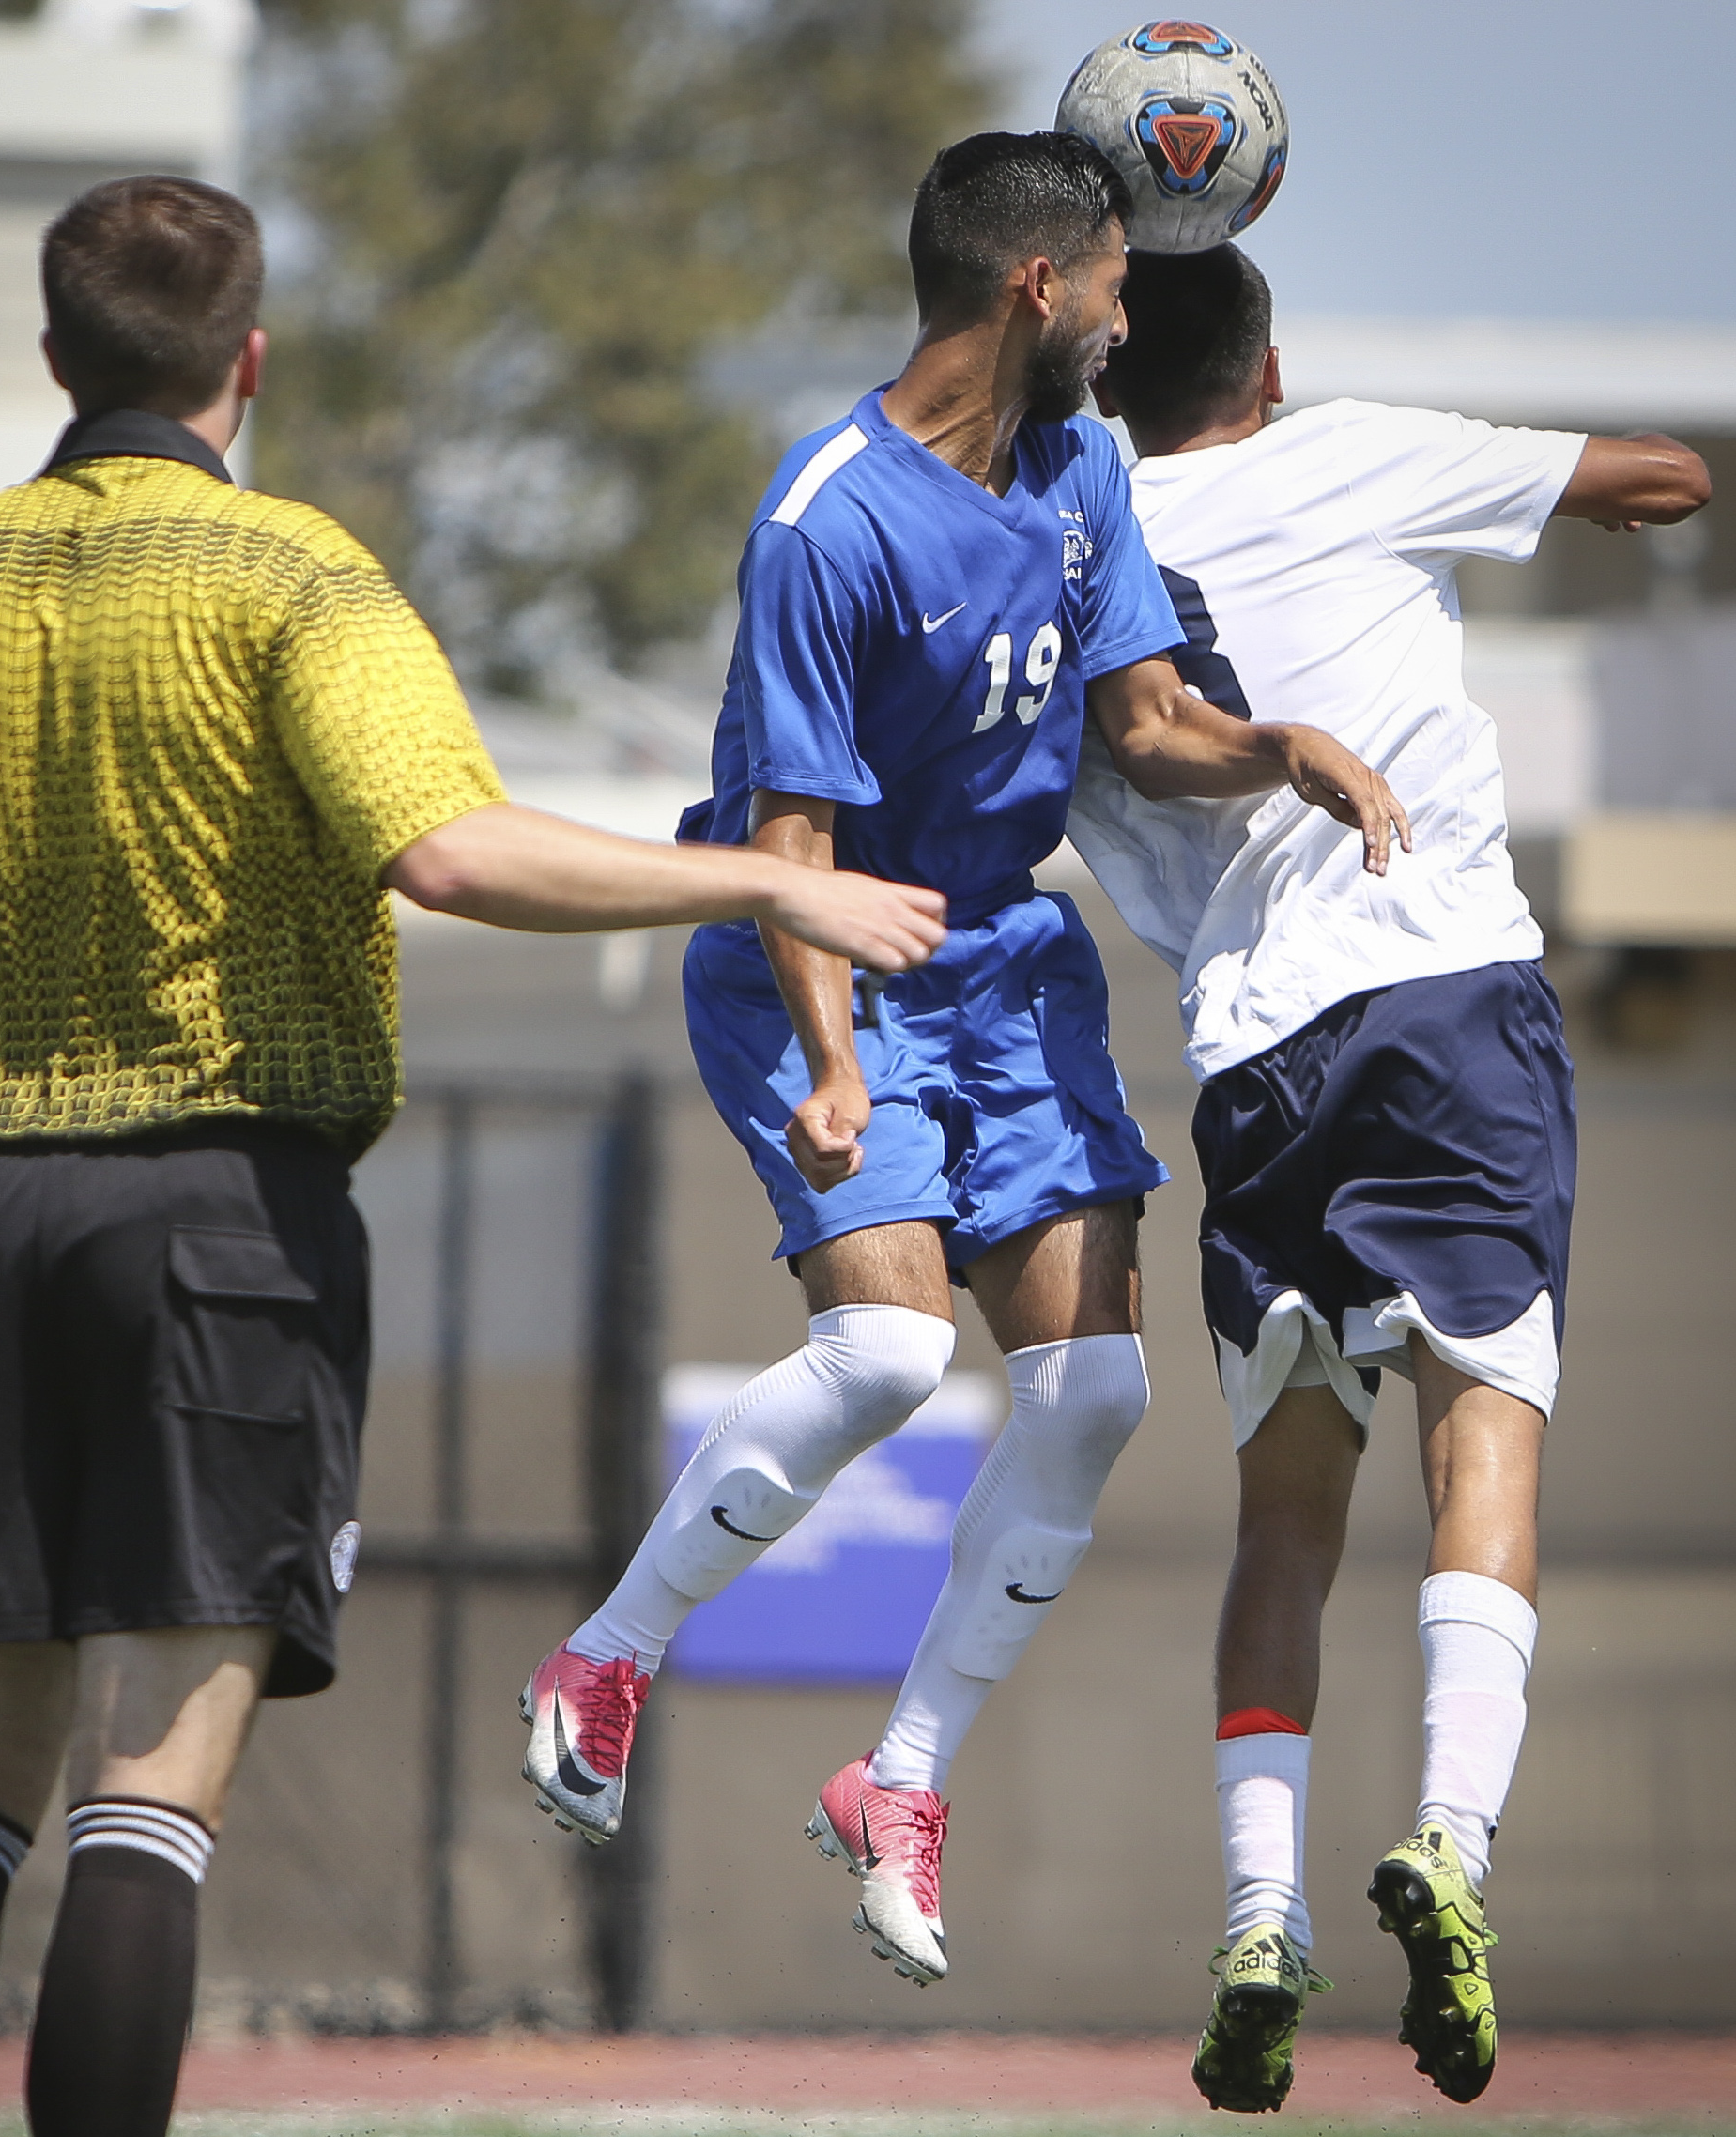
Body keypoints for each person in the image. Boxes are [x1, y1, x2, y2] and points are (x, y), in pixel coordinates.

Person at [0, 174, 946, 2137]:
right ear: (249, 358)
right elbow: (452, 850)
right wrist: (769, 870)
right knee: (151, 1785)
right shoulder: (291, 568)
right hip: (223, 1220)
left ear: (51, 360)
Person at [516, 131, 1403, 1992]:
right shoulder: (824, 516)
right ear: (1033, 289)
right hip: (817, 955)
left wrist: (1278, 748)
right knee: (891, 1349)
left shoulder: (1079, 459)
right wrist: (834, 1069)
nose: (1122, 310)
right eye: (1106, 279)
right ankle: (606, 1651)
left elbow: (1145, 722)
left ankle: (897, 1778)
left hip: (1002, 963)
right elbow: (789, 849)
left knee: (1084, 1396)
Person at [1065, 243, 1710, 2112]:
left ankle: (1259, 1915)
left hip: (1248, 1064)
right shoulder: (1353, 450)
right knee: (1482, 1429)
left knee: (1283, 1521)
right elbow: (1663, 474)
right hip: (1442, 1005)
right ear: (1264, 365)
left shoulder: (1068, 539)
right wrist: (1497, 494)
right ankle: (1447, 1835)